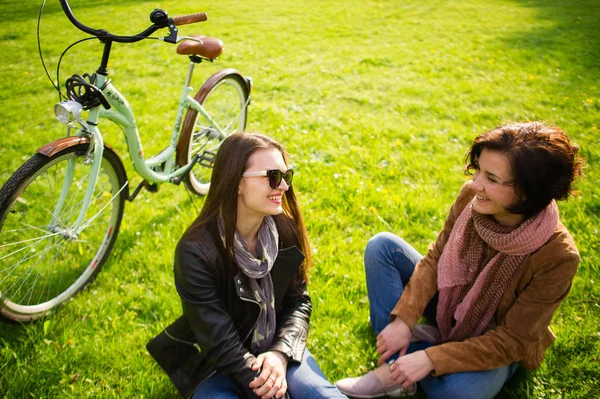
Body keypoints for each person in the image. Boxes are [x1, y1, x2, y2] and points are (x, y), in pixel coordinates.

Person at [335, 122, 583, 399]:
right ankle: (400, 349)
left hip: (494, 339)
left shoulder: (558, 255)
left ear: (528, 191)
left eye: (491, 178)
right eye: (477, 170)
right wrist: (404, 319)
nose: (476, 184)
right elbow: (435, 258)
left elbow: (512, 341)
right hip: (450, 302)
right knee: (383, 247)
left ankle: (410, 360)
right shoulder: (471, 197)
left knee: (459, 393)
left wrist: (431, 358)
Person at [147, 133, 346, 399]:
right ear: (237, 182)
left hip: (276, 349)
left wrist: (279, 354)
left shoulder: (285, 229)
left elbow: (299, 300)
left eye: (286, 176)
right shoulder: (195, 252)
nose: (284, 187)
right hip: (217, 366)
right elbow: (219, 343)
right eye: (273, 176)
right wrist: (270, 389)